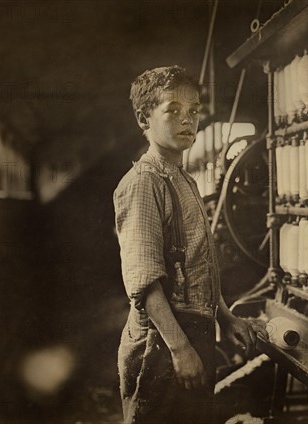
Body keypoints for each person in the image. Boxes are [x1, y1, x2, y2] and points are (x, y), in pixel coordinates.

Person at [114, 66, 266, 424]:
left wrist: (224, 317)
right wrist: (180, 349)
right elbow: (144, 280)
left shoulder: (183, 179)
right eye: (173, 110)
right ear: (144, 118)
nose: (187, 120)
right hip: (161, 343)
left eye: (194, 110)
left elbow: (198, 266)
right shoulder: (144, 183)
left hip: (192, 332)